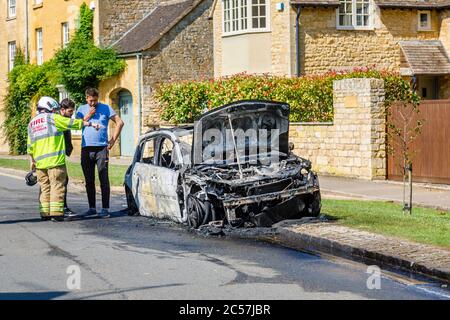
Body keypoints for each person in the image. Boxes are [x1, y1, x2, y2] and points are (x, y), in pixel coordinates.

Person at [27, 97, 99, 222]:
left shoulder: (32, 123)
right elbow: (73, 123)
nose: (55, 111)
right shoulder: (53, 118)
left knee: (45, 188)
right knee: (57, 186)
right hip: (55, 161)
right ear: (49, 107)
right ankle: (56, 213)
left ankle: (45, 213)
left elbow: (30, 146)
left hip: (40, 163)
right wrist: (90, 123)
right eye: (54, 109)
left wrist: (32, 161)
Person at [76, 87, 124, 218]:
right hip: (86, 148)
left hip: (101, 149)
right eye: (91, 101)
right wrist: (89, 115)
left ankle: (105, 209)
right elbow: (76, 124)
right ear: (86, 98)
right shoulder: (81, 109)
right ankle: (92, 208)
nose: (93, 103)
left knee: (104, 178)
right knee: (89, 180)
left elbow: (120, 122)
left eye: (95, 100)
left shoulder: (106, 108)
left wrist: (113, 140)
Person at [59, 98, 76, 218]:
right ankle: (61, 208)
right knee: (61, 181)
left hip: (60, 155)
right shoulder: (60, 120)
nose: (72, 114)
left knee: (63, 180)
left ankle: (60, 207)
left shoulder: (66, 119)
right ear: (62, 110)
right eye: (70, 111)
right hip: (55, 156)